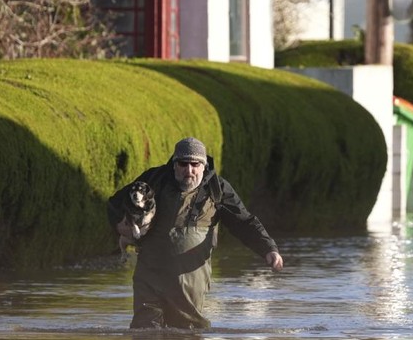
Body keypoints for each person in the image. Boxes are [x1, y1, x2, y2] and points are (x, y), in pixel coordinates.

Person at [107, 137, 284, 329]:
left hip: (190, 283)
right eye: (183, 164)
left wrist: (269, 249)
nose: (189, 171)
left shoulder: (218, 189)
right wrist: (120, 226)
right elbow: (115, 204)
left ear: (203, 165)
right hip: (149, 276)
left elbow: (244, 222)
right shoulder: (154, 179)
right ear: (174, 164)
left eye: (195, 164)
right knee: (144, 335)